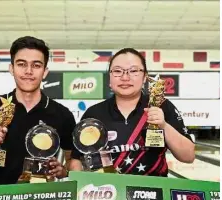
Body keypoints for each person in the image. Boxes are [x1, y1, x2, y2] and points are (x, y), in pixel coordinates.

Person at [69, 48, 195, 176]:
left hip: (155, 193)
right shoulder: (94, 114)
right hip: (109, 192)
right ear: (110, 78)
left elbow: (188, 156)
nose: (125, 77)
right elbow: (76, 160)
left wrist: (164, 125)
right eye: (118, 71)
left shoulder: (162, 106)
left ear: (145, 77)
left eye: (133, 71)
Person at [0, 36, 76, 186]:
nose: (28, 71)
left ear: (45, 72)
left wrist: (63, 171)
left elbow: (72, 163)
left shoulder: (62, 114)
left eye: (36, 65)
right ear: (11, 68)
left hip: (38, 199)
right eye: (21, 64)